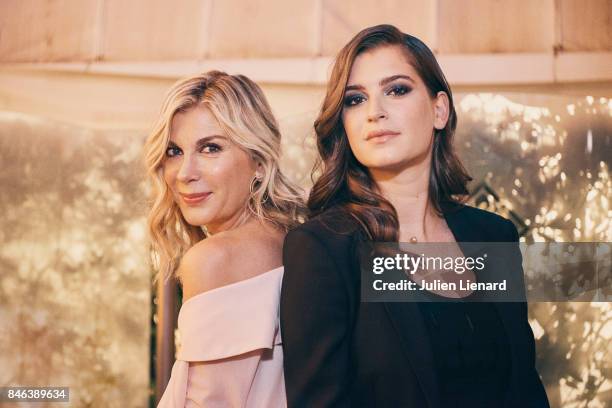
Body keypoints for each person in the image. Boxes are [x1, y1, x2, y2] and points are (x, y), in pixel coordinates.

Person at [280, 25, 549, 408]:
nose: (375, 112)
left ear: (440, 109)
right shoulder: (323, 249)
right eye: (355, 100)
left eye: (397, 90)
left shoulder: (493, 234)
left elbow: (525, 386)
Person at [144, 70, 303, 407]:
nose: (185, 173)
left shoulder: (214, 259)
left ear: (258, 161)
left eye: (210, 148)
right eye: (174, 151)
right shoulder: (294, 242)